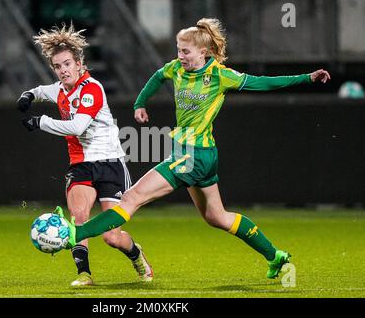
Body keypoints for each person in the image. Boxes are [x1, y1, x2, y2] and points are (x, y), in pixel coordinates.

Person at [59, 18, 331, 279]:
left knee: (130, 199)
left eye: (186, 51)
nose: (181, 56)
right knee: (217, 216)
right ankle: (275, 256)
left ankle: (74, 235)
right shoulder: (177, 68)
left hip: (193, 155)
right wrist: (140, 103)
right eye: (178, 50)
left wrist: (307, 78)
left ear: (203, 52)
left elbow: (263, 82)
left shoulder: (220, 76)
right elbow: (157, 76)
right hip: (201, 156)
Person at [17, 23, 153, 286]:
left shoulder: (92, 89)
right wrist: (28, 94)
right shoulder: (60, 89)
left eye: (67, 64)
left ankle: (136, 254)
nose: (63, 70)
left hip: (110, 164)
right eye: (58, 66)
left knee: (111, 237)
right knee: (79, 218)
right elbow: (43, 90)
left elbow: (77, 126)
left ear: (79, 63)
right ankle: (84, 274)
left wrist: (40, 122)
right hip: (80, 165)